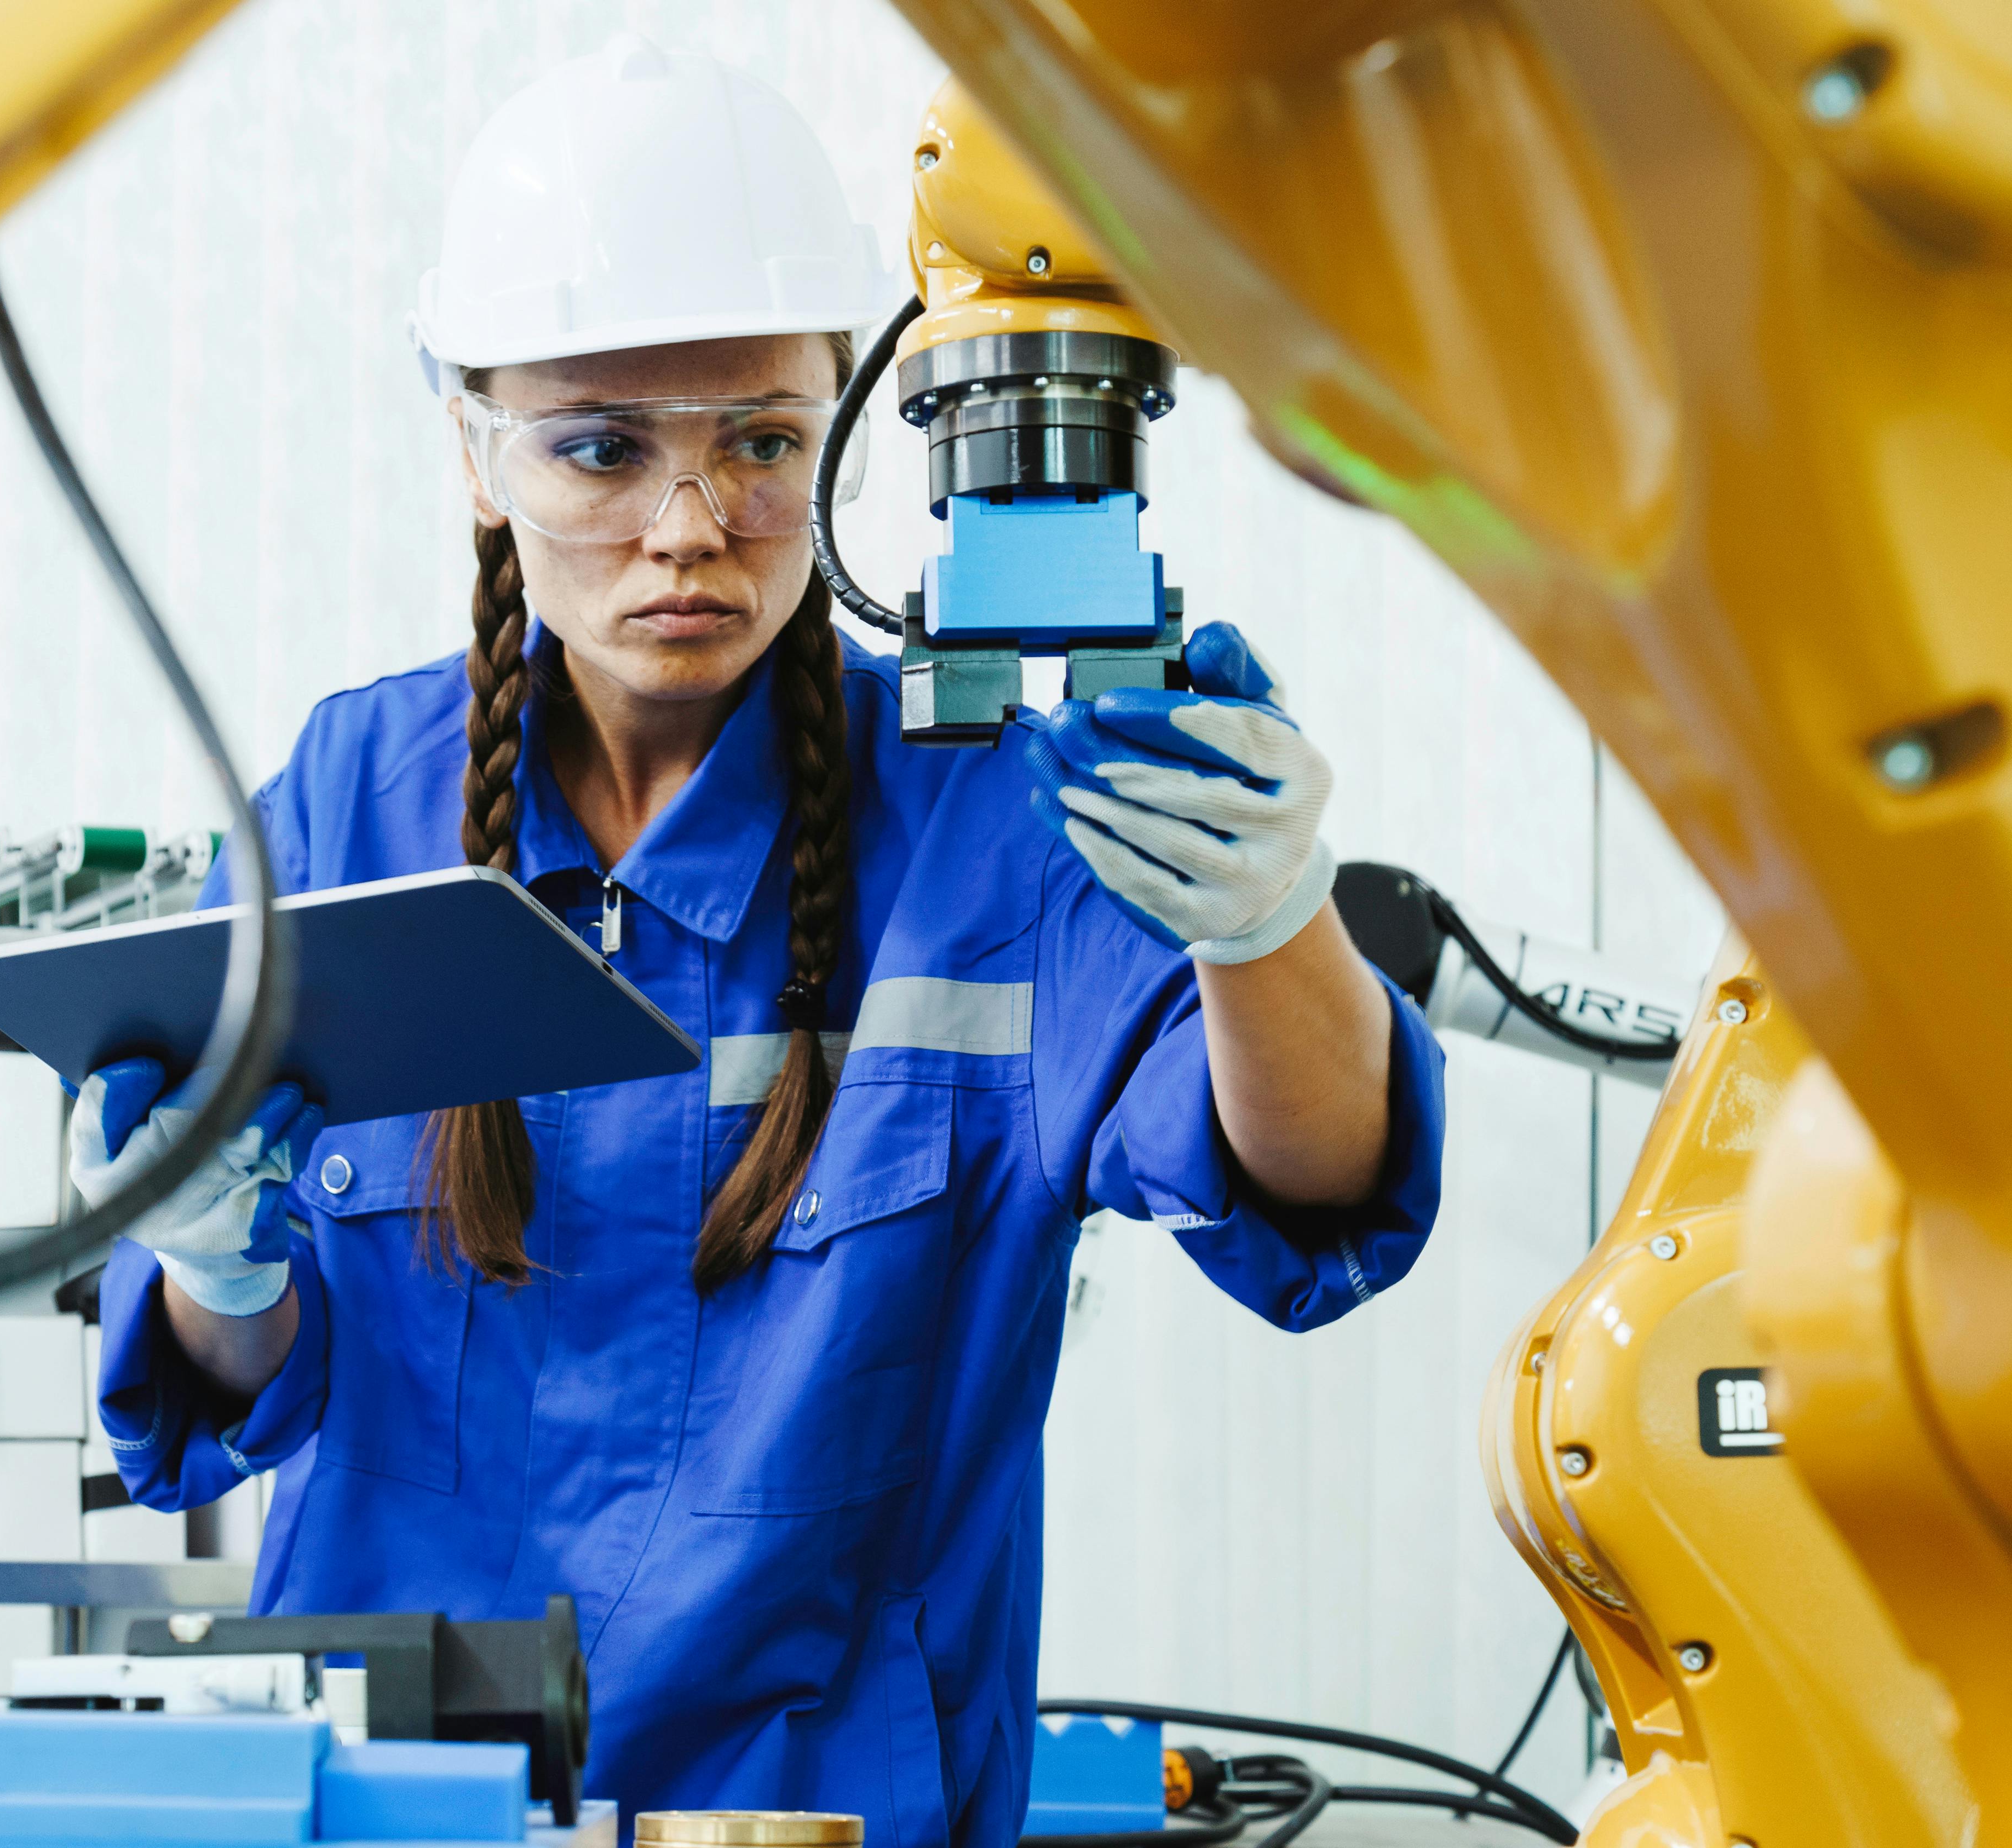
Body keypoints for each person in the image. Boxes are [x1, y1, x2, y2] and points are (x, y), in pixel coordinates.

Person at [80, 38, 1443, 1847]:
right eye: (598, 451)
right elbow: (233, 1398)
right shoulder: (349, 810)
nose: (689, 529)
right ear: (477, 454)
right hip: (393, 1809)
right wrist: (215, 1276)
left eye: (762, 445)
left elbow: (1320, 1189)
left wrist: (1274, 925)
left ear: (838, 435)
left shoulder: (985, 824)